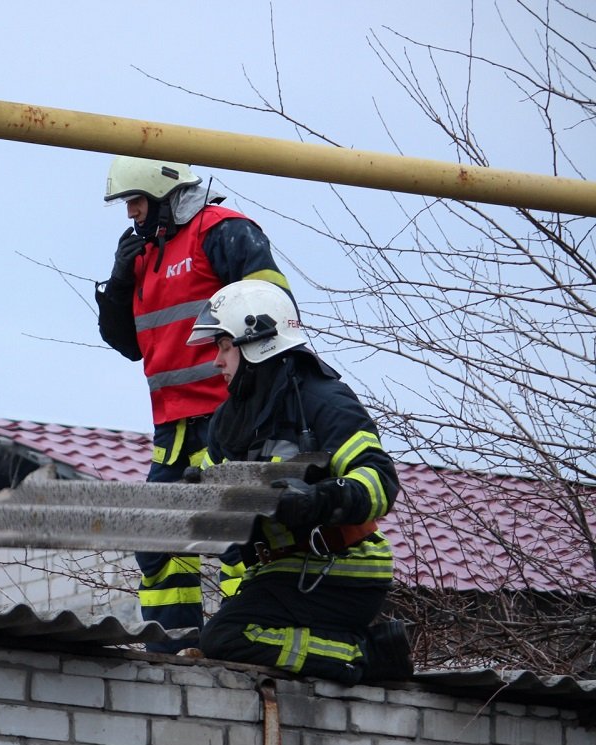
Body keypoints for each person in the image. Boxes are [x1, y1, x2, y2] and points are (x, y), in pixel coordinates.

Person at [94, 155, 293, 653]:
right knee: (157, 542)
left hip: (232, 419)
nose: (130, 214)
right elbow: (127, 343)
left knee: (239, 541)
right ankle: (174, 650)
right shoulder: (142, 254)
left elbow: (274, 308)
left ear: (161, 195)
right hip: (173, 426)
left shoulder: (222, 231)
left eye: (135, 201)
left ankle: (242, 644)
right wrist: (119, 285)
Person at [186, 280, 413, 684]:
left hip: (341, 566)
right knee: (216, 637)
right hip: (280, 571)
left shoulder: (323, 399)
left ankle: (362, 655)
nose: (217, 361)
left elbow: (380, 480)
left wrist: (316, 501)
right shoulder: (228, 420)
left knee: (226, 637)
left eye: (224, 345)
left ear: (257, 340)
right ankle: (342, 646)